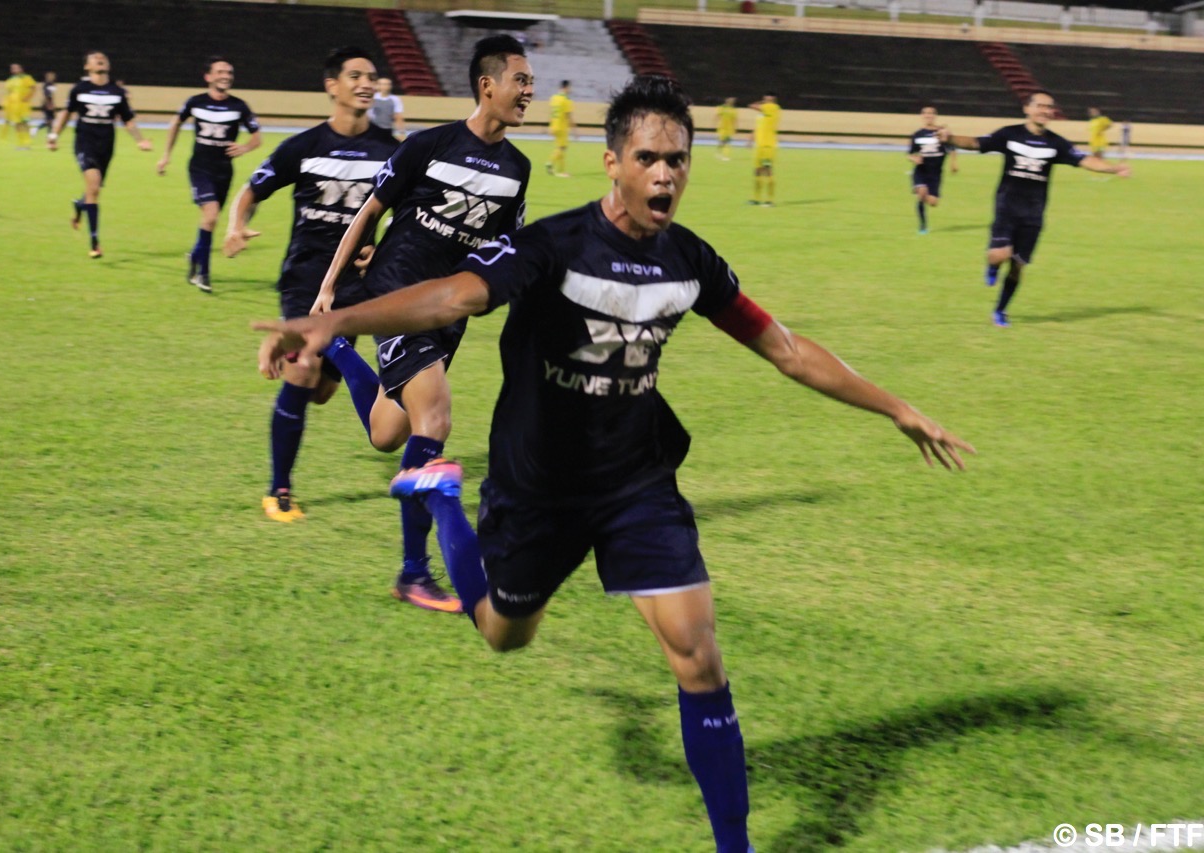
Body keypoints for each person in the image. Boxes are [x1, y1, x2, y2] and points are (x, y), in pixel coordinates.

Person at [253, 75, 974, 853]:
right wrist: (336, 321)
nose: (666, 174)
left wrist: (895, 404)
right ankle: (440, 501)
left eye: (679, 160)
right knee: (501, 631)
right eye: (649, 157)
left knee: (697, 651)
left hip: (636, 480)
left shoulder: (690, 260)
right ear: (613, 163)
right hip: (539, 484)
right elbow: (452, 298)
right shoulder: (552, 245)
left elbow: (788, 351)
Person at [311, 34, 533, 613]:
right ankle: (413, 572)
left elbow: (506, 249)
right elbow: (368, 212)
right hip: (398, 291)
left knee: (389, 432)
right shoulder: (429, 146)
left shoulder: (518, 168)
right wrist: (330, 287)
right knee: (435, 415)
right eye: (521, 81)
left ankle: (336, 352)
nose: (529, 91)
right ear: (488, 86)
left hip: (449, 311)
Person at [221, 46, 398, 523]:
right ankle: (278, 489)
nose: (365, 83)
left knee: (318, 391)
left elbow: (414, 215)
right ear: (332, 86)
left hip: (358, 287)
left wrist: (384, 249)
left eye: (371, 76)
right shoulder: (303, 146)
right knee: (302, 372)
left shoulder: (393, 150)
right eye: (355, 75)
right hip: (305, 281)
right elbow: (252, 190)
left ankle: (310, 346)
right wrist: (236, 226)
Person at [939, 91, 1129, 327]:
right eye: (1040, 106)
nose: (1045, 110)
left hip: (1033, 213)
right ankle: (992, 266)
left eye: (1049, 107)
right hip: (1007, 206)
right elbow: (976, 143)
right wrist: (950, 138)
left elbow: (1084, 160)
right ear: (1027, 109)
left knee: (1018, 266)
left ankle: (1000, 310)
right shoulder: (1009, 134)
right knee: (1000, 254)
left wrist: (1113, 169)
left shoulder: (1056, 142)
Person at [157, 56, 262, 294]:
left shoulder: (239, 106)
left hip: (224, 171)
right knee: (211, 216)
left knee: (210, 222)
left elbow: (258, 137)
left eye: (229, 72)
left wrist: (245, 147)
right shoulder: (195, 102)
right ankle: (202, 273)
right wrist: (165, 156)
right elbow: (175, 124)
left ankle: (195, 256)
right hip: (200, 169)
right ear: (208, 77)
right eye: (220, 72)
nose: (226, 76)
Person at [47, 51, 152, 259]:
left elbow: (127, 119)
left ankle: (79, 205)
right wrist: (53, 135)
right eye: (95, 58)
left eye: (103, 58)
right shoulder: (80, 89)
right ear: (87, 66)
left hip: (106, 145)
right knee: (94, 187)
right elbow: (67, 113)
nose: (100, 59)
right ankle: (95, 242)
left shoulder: (117, 92)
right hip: (85, 142)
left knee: (92, 191)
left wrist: (140, 140)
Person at [907, 105, 958, 234]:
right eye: (926, 113)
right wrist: (914, 159)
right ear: (922, 116)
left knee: (933, 202)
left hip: (936, 173)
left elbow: (952, 149)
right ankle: (923, 226)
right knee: (922, 193)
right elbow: (910, 153)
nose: (928, 116)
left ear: (935, 116)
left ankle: (919, 190)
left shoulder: (941, 132)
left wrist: (953, 163)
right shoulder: (917, 134)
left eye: (931, 113)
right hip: (921, 170)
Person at [748, 92, 780, 206]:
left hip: (768, 146)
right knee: (757, 172)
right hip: (759, 146)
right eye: (766, 97)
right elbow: (757, 127)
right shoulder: (761, 115)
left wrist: (762, 102)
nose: (767, 99)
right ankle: (756, 199)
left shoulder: (773, 108)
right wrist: (751, 139)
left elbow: (751, 106)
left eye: (770, 97)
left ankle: (769, 200)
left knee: (768, 171)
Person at [1, 63, 36, 149]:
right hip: (13, 106)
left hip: (23, 106)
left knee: (24, 123)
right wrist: (6, 104)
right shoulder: (10, 80)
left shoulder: (27, 78)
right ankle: (21, 143)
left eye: (16, 68)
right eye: (12, 68)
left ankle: (27, 143)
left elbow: (33, 87)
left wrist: (27, 98)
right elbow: (9, 92)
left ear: (21, 69)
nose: (13, 70)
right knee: (16, 124)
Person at [546, 80, 573, 177]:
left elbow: (551, 113)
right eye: (570, 87)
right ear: (566, 87)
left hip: (554, 126)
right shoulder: (566, 100)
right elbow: (568, 116)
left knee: (560, 148)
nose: (571, 89)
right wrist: (575, 130)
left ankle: (561, 170)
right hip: (562, 127)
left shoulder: (554, 98)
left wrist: (550, 125)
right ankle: (551, 163)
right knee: (562, 148)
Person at [370, 76, 406, 141]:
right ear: (378, 85)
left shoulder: (395, 99)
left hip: (387, 128)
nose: (385, 86)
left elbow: (398, 116)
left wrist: (401, 131)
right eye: (383, 84)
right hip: (372, 129)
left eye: (388, 84)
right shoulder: (372, 98)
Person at [36, 70, 57, 136]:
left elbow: (51, 95)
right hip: (47, 104)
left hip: (49, 103)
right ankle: (38, 129)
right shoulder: (47, 84)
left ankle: (49, 134)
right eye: (51, 76)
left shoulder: (51, 84)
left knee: (50, 120)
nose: (53, 77)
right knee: (49, 120)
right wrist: (49, 104)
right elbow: (47, 95)